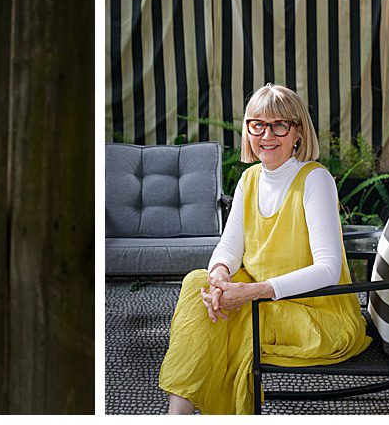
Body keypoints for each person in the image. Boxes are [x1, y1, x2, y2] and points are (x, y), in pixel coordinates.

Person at [158, 84, 371, 414]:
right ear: (248, 130)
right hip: (259, 298)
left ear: (298, 132)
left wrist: (251, 292)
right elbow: (230, 245)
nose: (267, 135)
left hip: (314, 312)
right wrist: (218, 278)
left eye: (279, 125)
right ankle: (177, 415)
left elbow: (328, 268)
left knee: (236, 319)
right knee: (196, 286)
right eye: (257, 124)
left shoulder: (315, 179)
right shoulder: (249, 179)